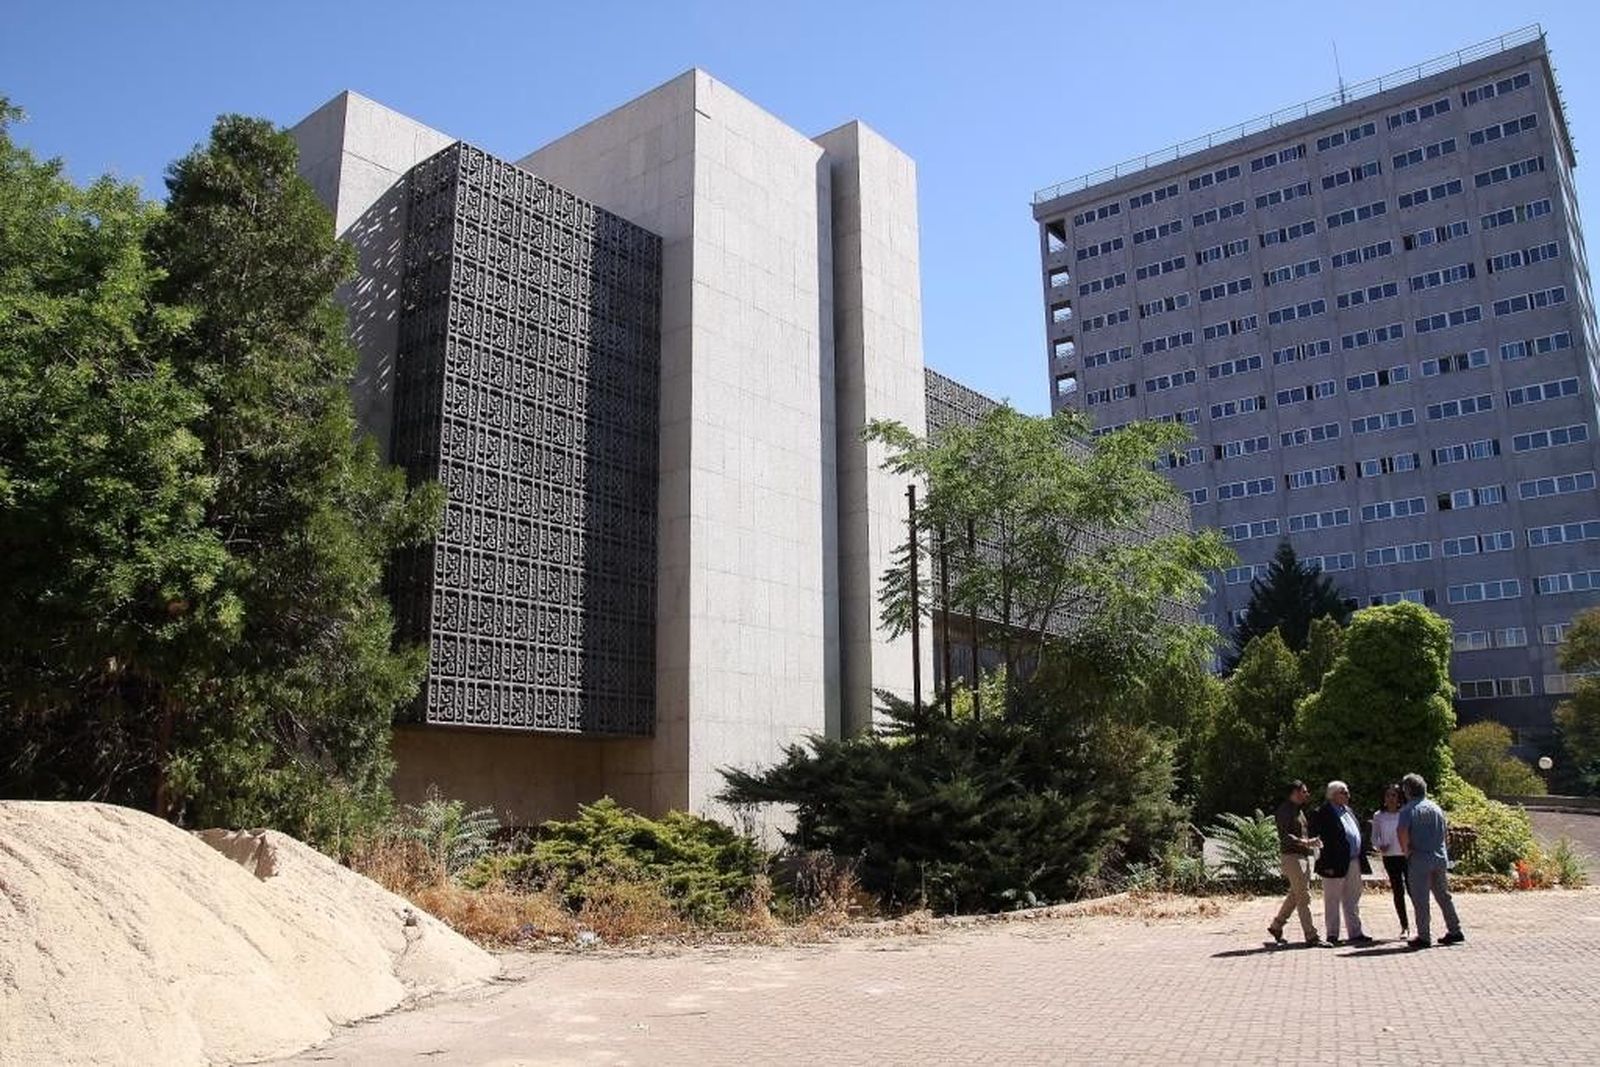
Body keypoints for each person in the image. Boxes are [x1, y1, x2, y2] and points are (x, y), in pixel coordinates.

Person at [1397, 772, 1464, 949]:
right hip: (1439, 856)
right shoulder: (1436, 808)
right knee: (1444, 896)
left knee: (1420, 898)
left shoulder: (1408, 810)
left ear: (1407, 790)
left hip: (1419, 857)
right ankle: (1455, 930)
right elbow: (1445, 832)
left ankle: (1424, 936)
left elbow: (1402, 832)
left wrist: (1406, 852)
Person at [1310, 780, 1373, 945]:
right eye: (1344, 792)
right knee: (1332, 899)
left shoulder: (1348, 811)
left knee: (1352, 898)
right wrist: (1325, 864)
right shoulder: (1322, 813)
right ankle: (1332, 934)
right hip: (1333, 863)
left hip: (1353, 860)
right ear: (1333, 795)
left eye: (1347, 791)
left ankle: (1355, 932)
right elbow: (1319, 840)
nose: (1348, 795)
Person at [1268, 780, 1322, 945]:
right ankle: (1311, 935)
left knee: (1296, 894)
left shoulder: (1299, 811)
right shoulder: (1285, 810)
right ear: (1295, 792)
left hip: (1302, 857)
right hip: (1292, 857)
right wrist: (1306, 842)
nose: (1307, 794)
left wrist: (1309, 845)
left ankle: (1277, 926)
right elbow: (1285, 836)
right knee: (1303, 897)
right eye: (1304, 791)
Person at [1369, 783, 1409, 937]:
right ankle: (1404, 926)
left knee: (1413, 890)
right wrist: (1380, 846)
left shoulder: (1405, 813)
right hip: (1390, 857)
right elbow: (1374, 837)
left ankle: (1421, 924)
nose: (1391, 798)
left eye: (1394, 795)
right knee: (1398, 891)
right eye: (1388, 795)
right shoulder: (1379, 816)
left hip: (1405, 855)